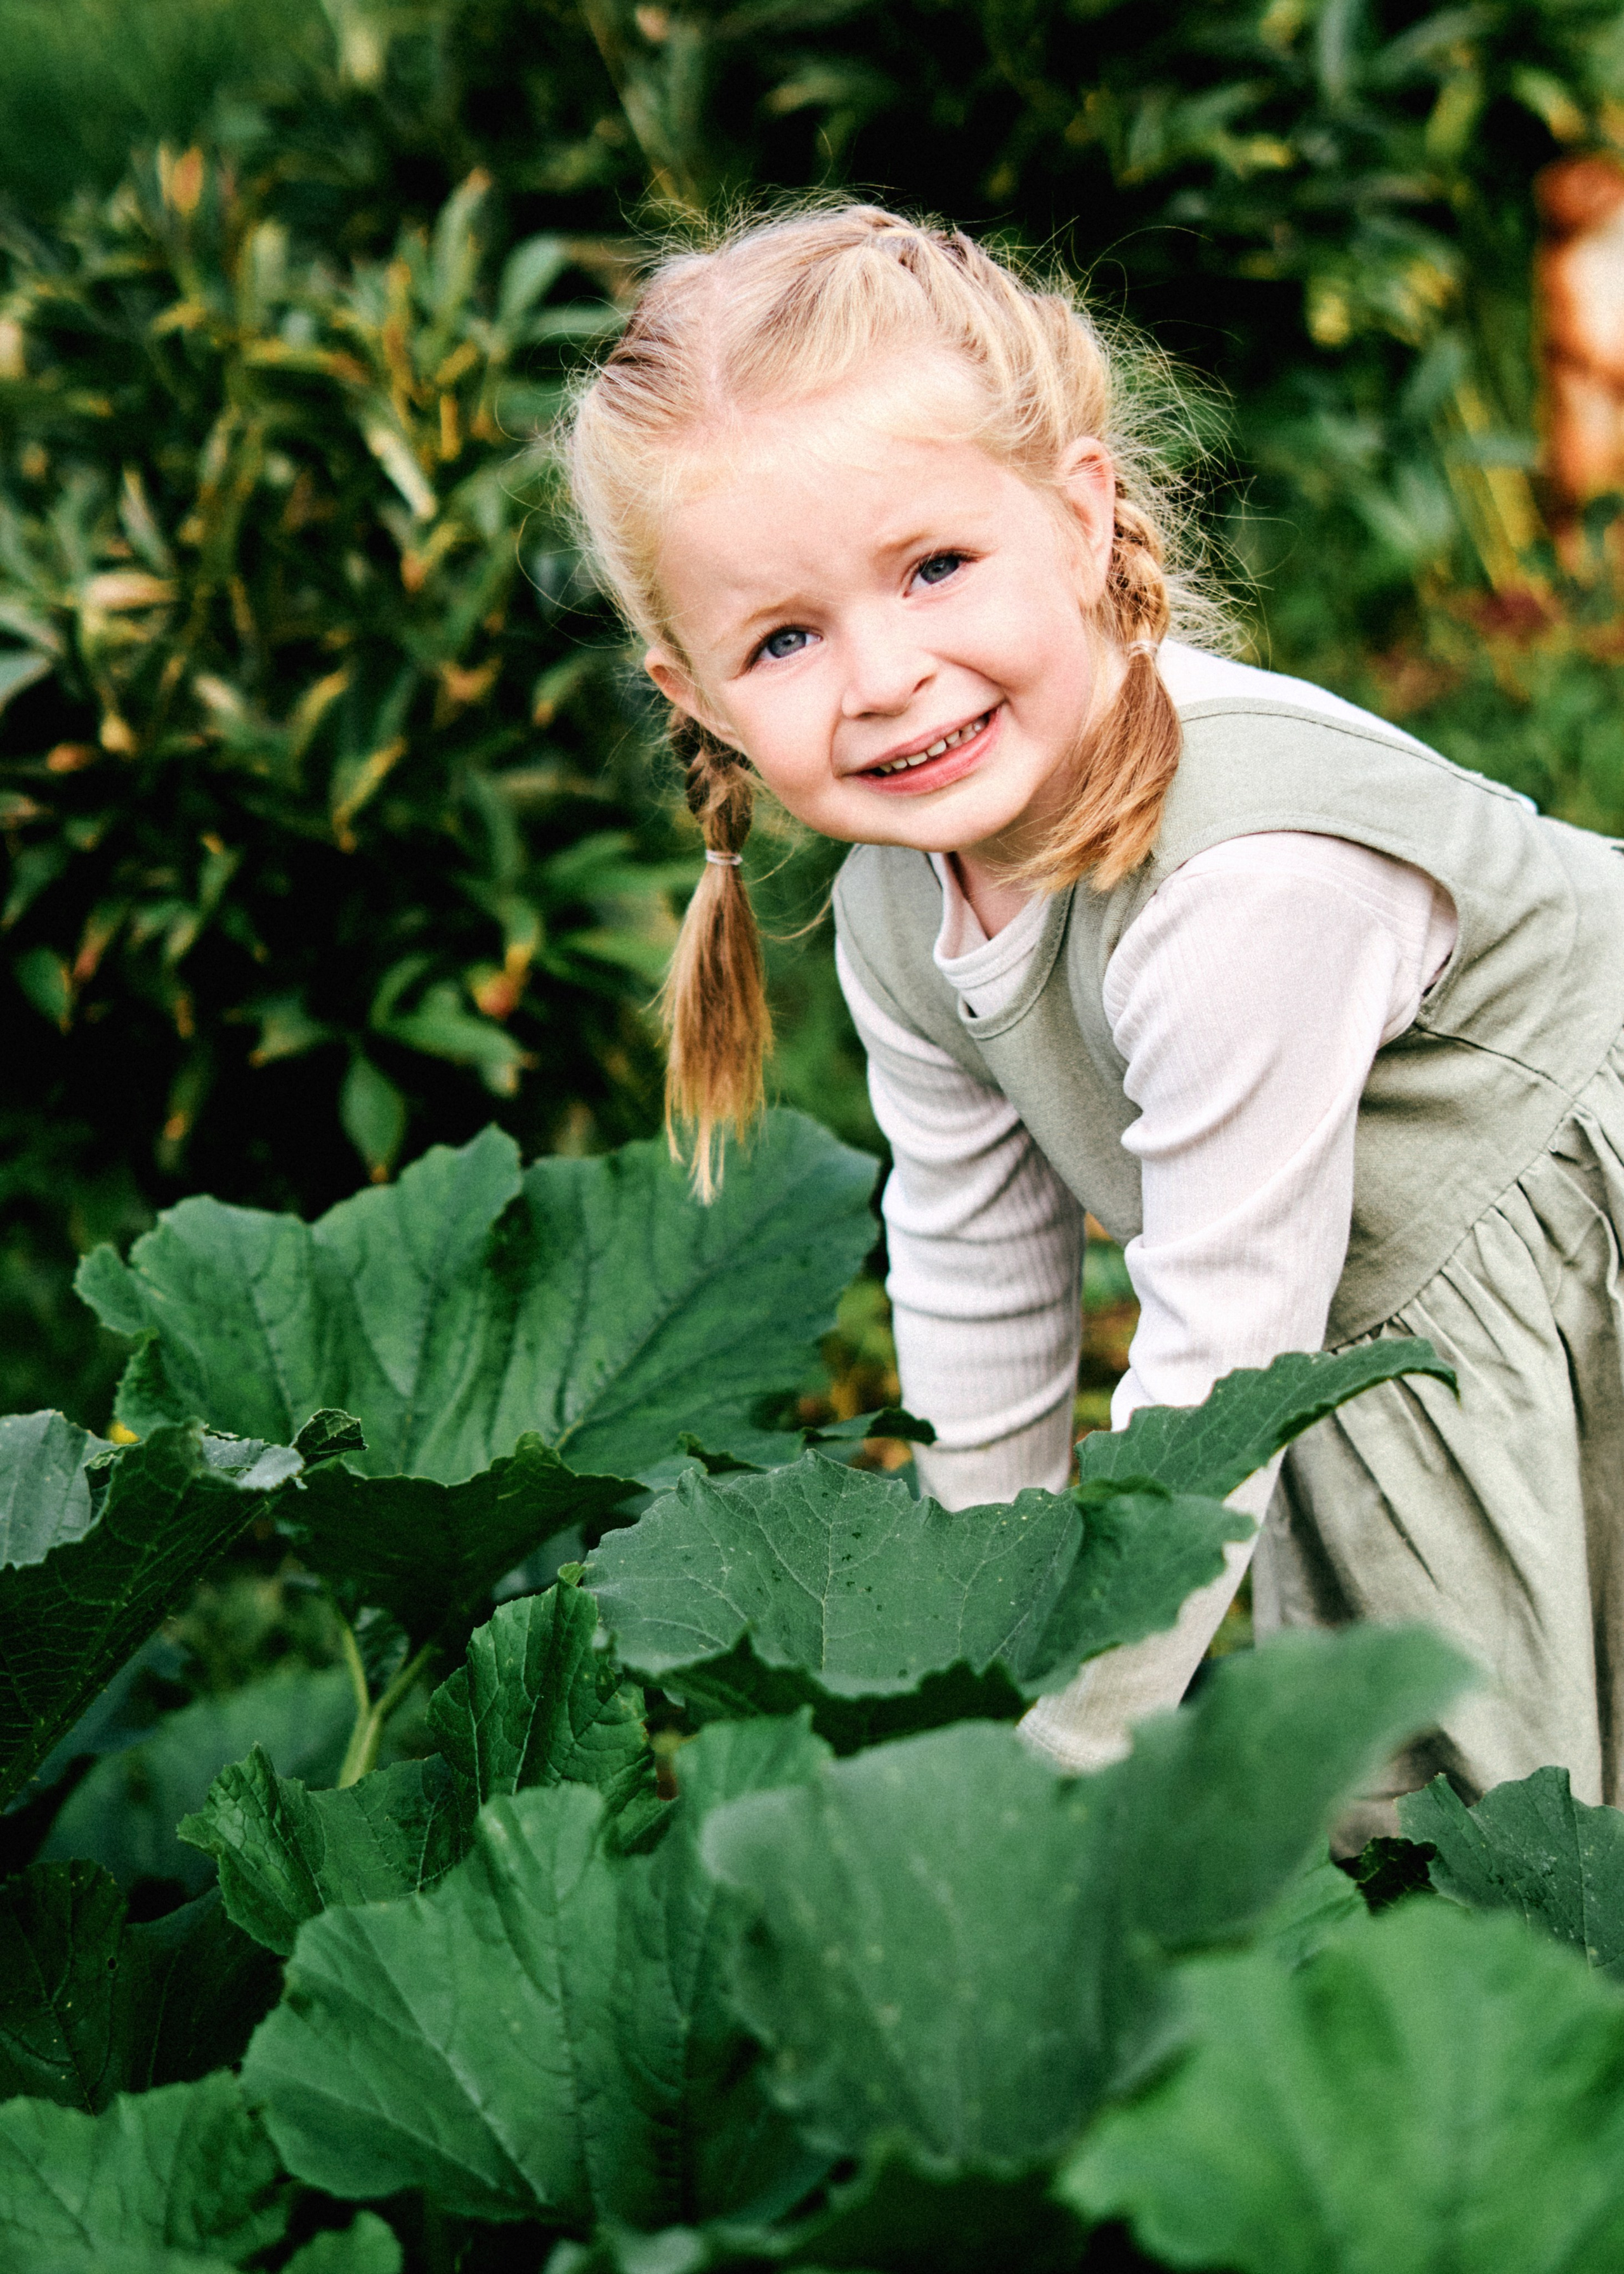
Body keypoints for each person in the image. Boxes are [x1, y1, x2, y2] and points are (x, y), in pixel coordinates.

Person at [563, 201, 1624, 1821]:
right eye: (782, 638)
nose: (883, 677)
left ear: (1075, 517)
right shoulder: (901, 901)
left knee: (1496, 1831)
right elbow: (978, 1288)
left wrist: (1060, 1759)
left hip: (1561, 1244)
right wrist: (974, 1679)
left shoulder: (1244, 888)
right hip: (1378, 1320)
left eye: (933, 567)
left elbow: (1216, 1364)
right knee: (1405, 1796)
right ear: (691, 694)